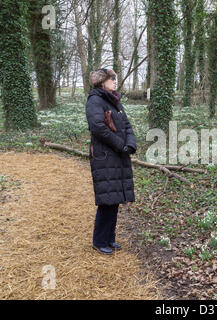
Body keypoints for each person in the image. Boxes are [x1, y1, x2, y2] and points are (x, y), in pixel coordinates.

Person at [85, 68, 137, 255]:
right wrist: (119, 145)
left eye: (114, 79)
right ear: (102, 82)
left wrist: (130, 144)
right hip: (105, 156)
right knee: (107, 199)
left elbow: (127, 125)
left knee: (114, 198)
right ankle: (99, 241)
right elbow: (97, 127)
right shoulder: (95, 100)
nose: (115, 81)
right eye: (111, 79)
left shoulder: (114, 101)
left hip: (118, 155)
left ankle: (109, 238)